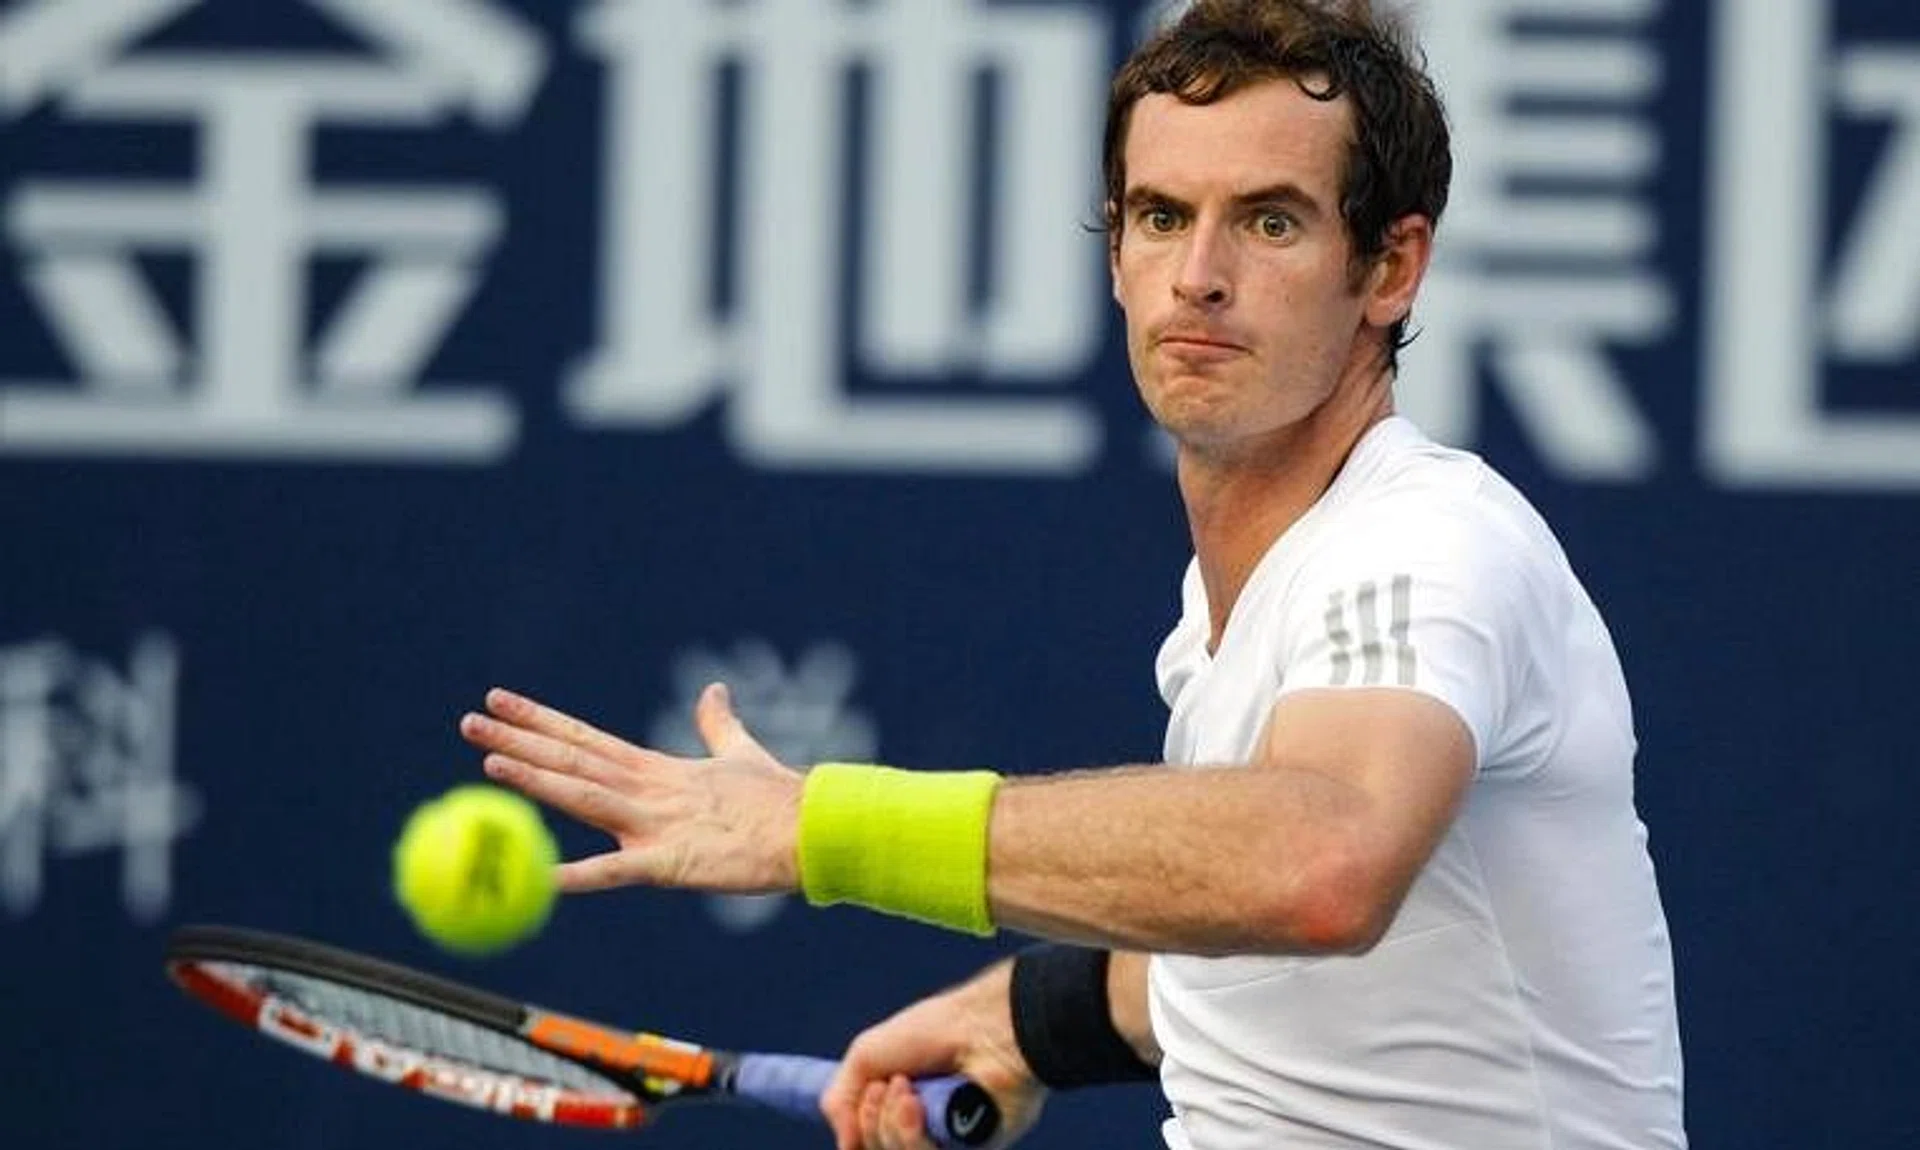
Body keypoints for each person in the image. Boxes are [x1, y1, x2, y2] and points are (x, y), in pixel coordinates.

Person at [458, 1, 1686, 1147]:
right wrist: (1029, 1018)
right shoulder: (1234, 608)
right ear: (1115, 255)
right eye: (1160, 216)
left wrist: (821, 826)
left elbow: (1321, 864)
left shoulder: (1428, 546)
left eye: (1270, 221)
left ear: (1390, 268)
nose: (1198, 274)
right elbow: (1279, 943)